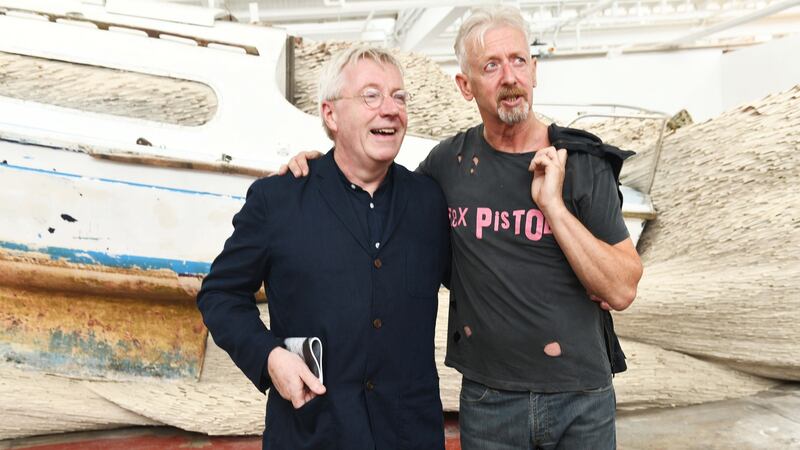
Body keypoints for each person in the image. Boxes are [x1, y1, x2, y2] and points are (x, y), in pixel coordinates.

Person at [280, 6, 643, 449]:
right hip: (491, 400)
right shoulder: (447, 165)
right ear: (465, 86)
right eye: (491, 66)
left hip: (581, 395)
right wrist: (320, 170)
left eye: (518, 60)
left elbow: (623, 289)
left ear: (534, 71)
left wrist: (555, 208)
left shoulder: (581, 163)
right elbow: (378, 191)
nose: (509, 76)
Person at [197, 45, 450, 450]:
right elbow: (220, 295)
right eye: (371, 95)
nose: (390, 109)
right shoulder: (278, 200)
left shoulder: (430, 202)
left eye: (399, 96)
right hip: (312, 435)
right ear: (330, 114)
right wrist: (269, 358)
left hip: (408, 436)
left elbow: (481, 283)